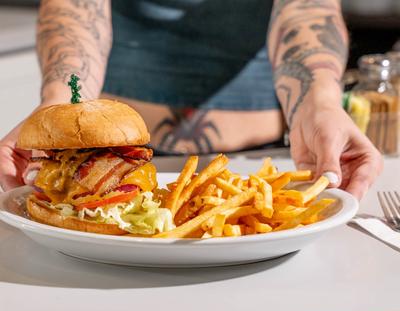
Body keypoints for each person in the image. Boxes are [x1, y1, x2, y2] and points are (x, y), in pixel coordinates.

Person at [0, 0, 382, 199]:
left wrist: (321, 104)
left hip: (263, 169)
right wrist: (61, 107)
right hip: (102, 162)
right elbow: (76, 10)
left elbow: (307, 9)